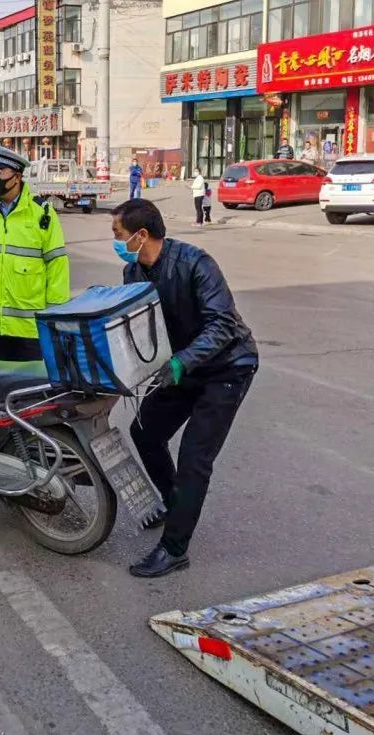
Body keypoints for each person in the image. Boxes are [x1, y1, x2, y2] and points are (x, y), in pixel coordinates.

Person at [110, 199, 258, 578]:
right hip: (183, 368)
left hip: (227, 367)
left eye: (119, 235)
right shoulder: (133, 273)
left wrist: (181, 362)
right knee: (144, 430)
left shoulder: (196, 263)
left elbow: (222, 325)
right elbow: (140, 326)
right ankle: (176, 503)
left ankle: (174, 549)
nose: (115, 241)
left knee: (195, 458)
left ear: (141, 235)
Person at [0, 143, 69, 361]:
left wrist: (55, 317)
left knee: (28, 391)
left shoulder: (42, 214)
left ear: (16, 177)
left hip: (30, 328)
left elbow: (57, 267)